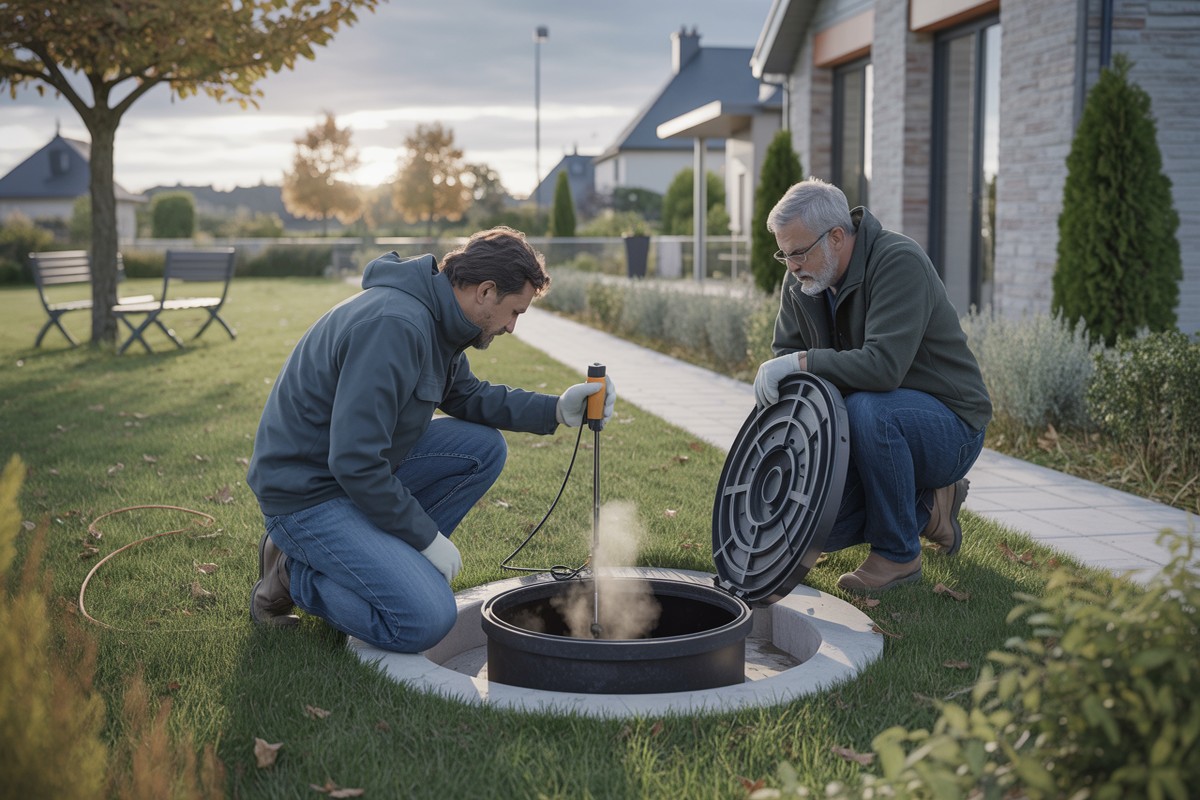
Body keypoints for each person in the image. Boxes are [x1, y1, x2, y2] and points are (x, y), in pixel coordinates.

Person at [246, 226, 615, 651]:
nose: (513, 327)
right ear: (486, 291)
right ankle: (295, 573)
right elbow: (354, 462)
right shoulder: (396, 325)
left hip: (350, 479)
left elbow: (467, 395)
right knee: (424, 620)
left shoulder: (438, 318)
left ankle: (386, 566)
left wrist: (556, 409)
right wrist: (425, 537)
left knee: (482, 449)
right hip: (307, 497)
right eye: (515, 311)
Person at [753, 178, 991, 594]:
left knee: (869, 409)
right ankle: (931, 507)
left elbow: (883, 370)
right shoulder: (803, 282)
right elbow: (790, 368)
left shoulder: (898, 262)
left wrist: (801, 362)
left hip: (949, 426)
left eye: (798, 252)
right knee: (817, 527)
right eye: (784, 254)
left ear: (838, 237)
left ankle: (898, 554)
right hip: (874, 427)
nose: (790, 266)